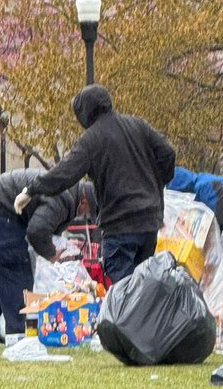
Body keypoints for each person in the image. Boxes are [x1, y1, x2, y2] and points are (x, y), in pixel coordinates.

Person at [14, 85, 175, 285]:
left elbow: (64, 173)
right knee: (142, 289)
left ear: (84, 114)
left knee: (123, 295)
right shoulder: (138, 125)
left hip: (120, 226)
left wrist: (32, 189)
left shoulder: (91, 139)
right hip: (149, 223)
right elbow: (168, 154)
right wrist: (156, 185)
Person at [0, 170, 96, 339]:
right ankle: (18, 334)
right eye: (88, 211)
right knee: (15, 266)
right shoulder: (63, 199)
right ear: (84, 201)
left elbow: (44, 226)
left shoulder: (66, 191)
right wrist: (51, 254)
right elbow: (37, 230)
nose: (84, 216)